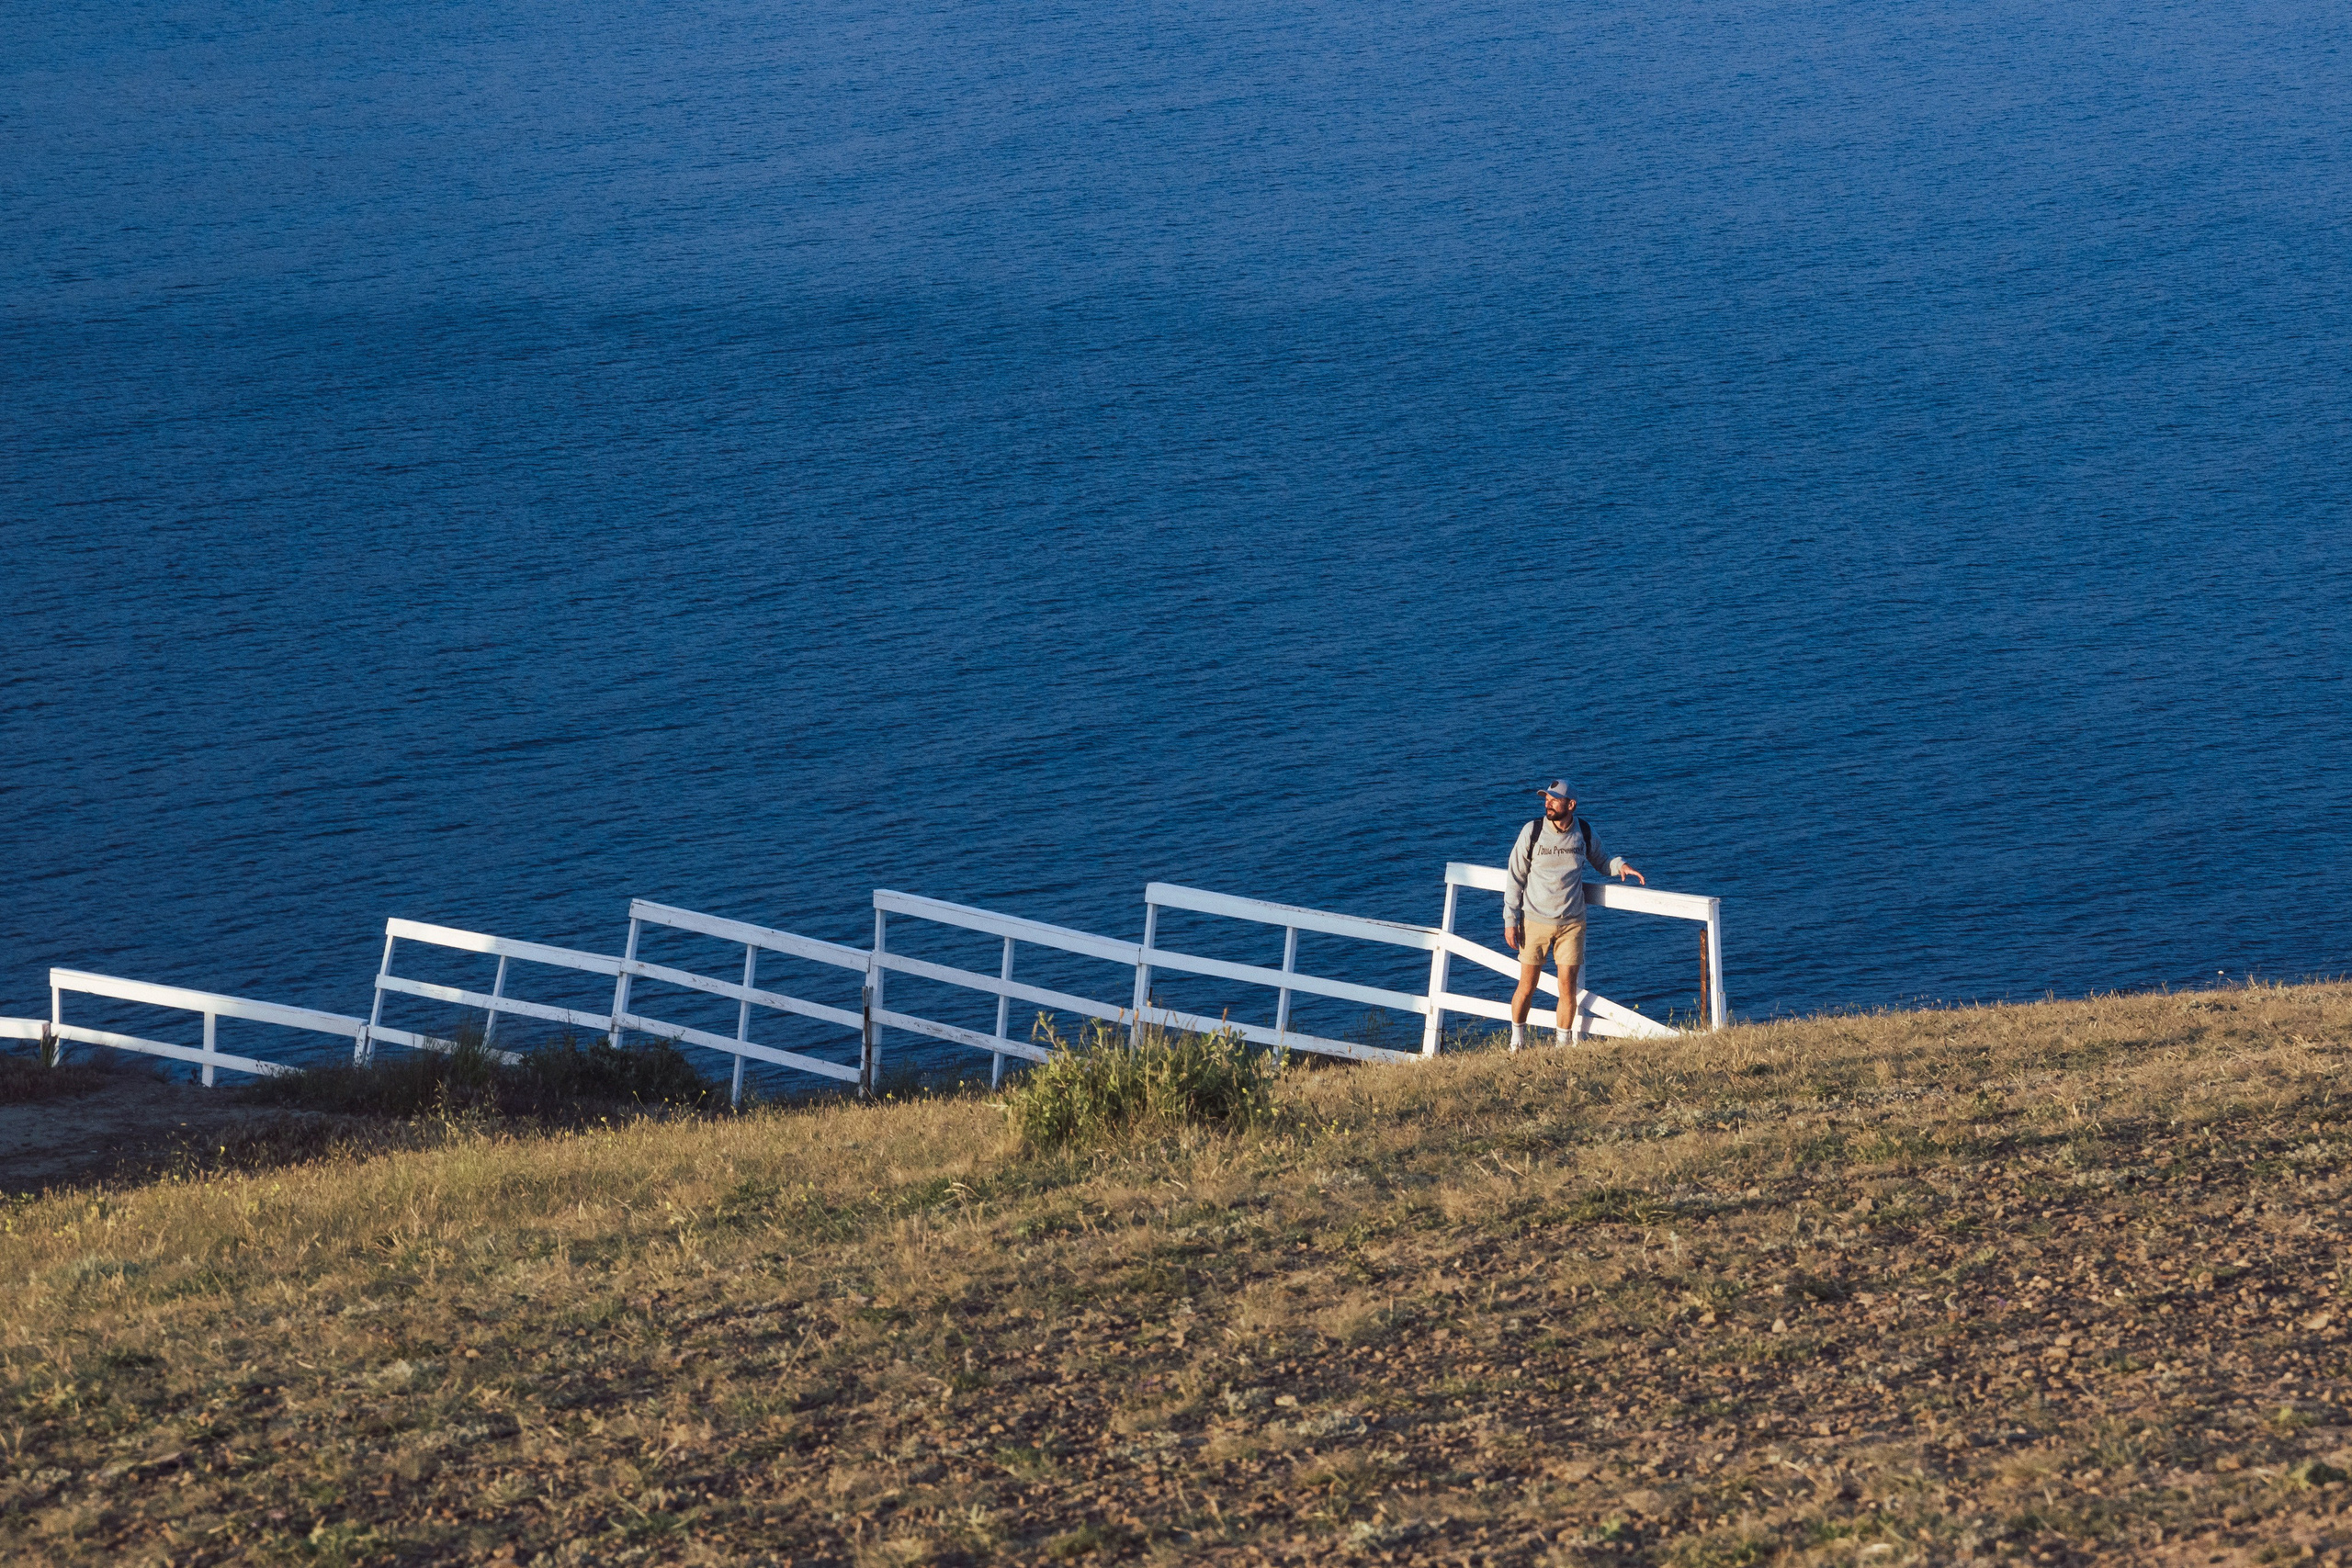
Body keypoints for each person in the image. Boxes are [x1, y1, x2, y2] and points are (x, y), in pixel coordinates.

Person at [1503, 780, 1645, 1050]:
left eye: (1554, 800)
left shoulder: (1584, 832)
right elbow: (1515, 878)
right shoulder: (1532, 832)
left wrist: (1621, 866)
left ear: (1571, 805)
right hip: (1534, 921)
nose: (1548, 803)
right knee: (1527, 986)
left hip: (1572, 924)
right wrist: (1511, 921)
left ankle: (1563, 1046)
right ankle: (1517, 1041)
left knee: (1567, 989)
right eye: (1546, 799)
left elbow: (1602, 861)